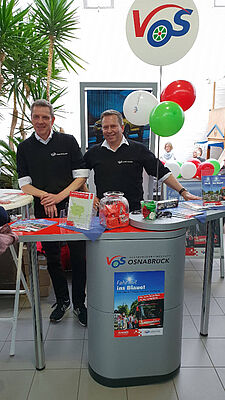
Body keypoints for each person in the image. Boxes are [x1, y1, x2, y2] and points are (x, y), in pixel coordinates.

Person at [16, 99, 89, 326]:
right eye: (36, 117)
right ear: (31, 119)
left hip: (75, 205)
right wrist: (46, 196)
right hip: (43, 206)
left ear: (52, 119)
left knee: (78, 257)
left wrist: (58, 197)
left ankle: (79, 303)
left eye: (45, 117)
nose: (40, 121)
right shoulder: (25, 148)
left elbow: (81, 176)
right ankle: (62, 301)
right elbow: (25, 184)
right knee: (53, 258)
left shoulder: (68, 142)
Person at [83, 109, 200, 212]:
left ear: (122, 128)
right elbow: (79, 177)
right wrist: (90, 196)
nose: (109, 131)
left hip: (134, 212)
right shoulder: (94, 152)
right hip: (106, 213)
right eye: (105, 127)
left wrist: (183, 192)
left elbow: (162, 172)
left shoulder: (138, 149)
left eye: (113, 126)